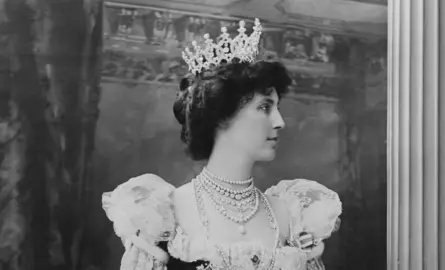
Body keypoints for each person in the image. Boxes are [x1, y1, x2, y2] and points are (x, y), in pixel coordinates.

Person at [102, 18, 342, 270]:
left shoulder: (290, 215)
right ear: (220, 116)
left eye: (277, 108)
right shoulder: (162, 214)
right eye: (264, 107)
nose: (279, 121)